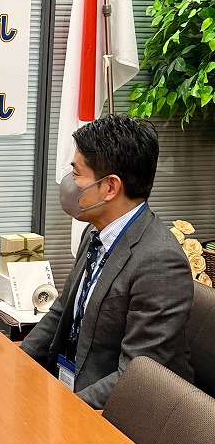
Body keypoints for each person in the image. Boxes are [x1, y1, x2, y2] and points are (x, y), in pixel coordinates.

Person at [20, 114, 193, 409]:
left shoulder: (160, 263)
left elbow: (136, 376)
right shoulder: (95, 231)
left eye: (77, 173)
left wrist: (67, 411)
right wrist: (17, 363)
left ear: (110, 187)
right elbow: (62, 311)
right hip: (68, 386)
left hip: (111, 410)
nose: (69, 183)